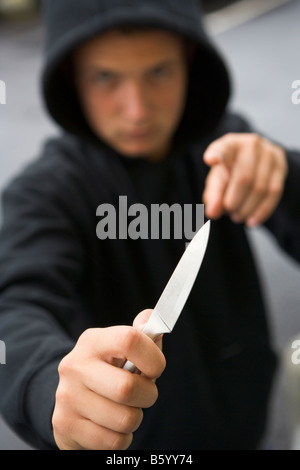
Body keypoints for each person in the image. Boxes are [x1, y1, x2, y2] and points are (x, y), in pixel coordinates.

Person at [0, 0, 299, 451]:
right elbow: (13, 309)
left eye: (158, 72)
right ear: (71, 78)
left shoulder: (224, 148)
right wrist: (47, 385)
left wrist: (285, 177)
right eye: (106, 77)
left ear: (189, 61)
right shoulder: (45, 192)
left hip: (247, 419)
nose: (137, 110)